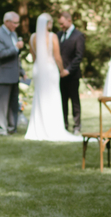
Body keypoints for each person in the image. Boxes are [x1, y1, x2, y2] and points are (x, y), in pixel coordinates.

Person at [23, 14, 79, 142]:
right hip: (49, 69)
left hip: (38, 69)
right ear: (48, 23)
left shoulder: (32, 37)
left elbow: (33, 57)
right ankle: (52, 127)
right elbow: (57, 57)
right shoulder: (52, 36)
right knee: (53, 96)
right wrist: (62, 70)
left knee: (39, 96)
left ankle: (38, 127)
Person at [0, 11, 24, 135]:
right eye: (15, 22)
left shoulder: (14, 34)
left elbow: (16, 56)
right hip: (3, 75)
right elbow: (0, 53)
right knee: (2, 104)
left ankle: (12, 127)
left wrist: (21, 71)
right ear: (7, 22)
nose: (17, 25)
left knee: (13, 104)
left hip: (14, 75)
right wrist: (16, 47)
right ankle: (1, 127)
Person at [57, 11, 85, 134]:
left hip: (72, 75)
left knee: (74, 101)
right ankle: (64, 124)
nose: (61, 26)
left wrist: (68, 70)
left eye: (62, 24)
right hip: (59, 75)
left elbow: (79, 56)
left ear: (69, 20)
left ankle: (77, 125)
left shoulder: (78, 35)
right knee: (62, 101)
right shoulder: (58, 35)